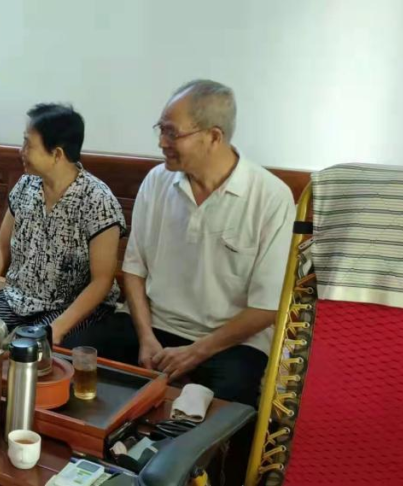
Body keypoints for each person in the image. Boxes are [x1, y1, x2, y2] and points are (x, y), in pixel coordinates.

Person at [88, 79, 294, 485]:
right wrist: (146, 337)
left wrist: (195, 352)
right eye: (160, 129)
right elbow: (134, 270)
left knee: (232, 411)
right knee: (80, 354)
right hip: (155, 326)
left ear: (213, 136)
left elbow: (267, 307)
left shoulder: (270, 197)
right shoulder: (157, 182)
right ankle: (90, 466)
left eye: (171, 132)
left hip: (229, 342)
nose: (161, 142)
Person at [0, 104, 124, 345]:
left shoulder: (97, 200)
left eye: (28, 145)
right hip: (18, 299)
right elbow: (1, 246)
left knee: (29, 350)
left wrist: (58, 328)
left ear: (57, 154)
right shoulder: (26, 185)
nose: (21, 151)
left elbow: (101, 281)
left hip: (69, 307)